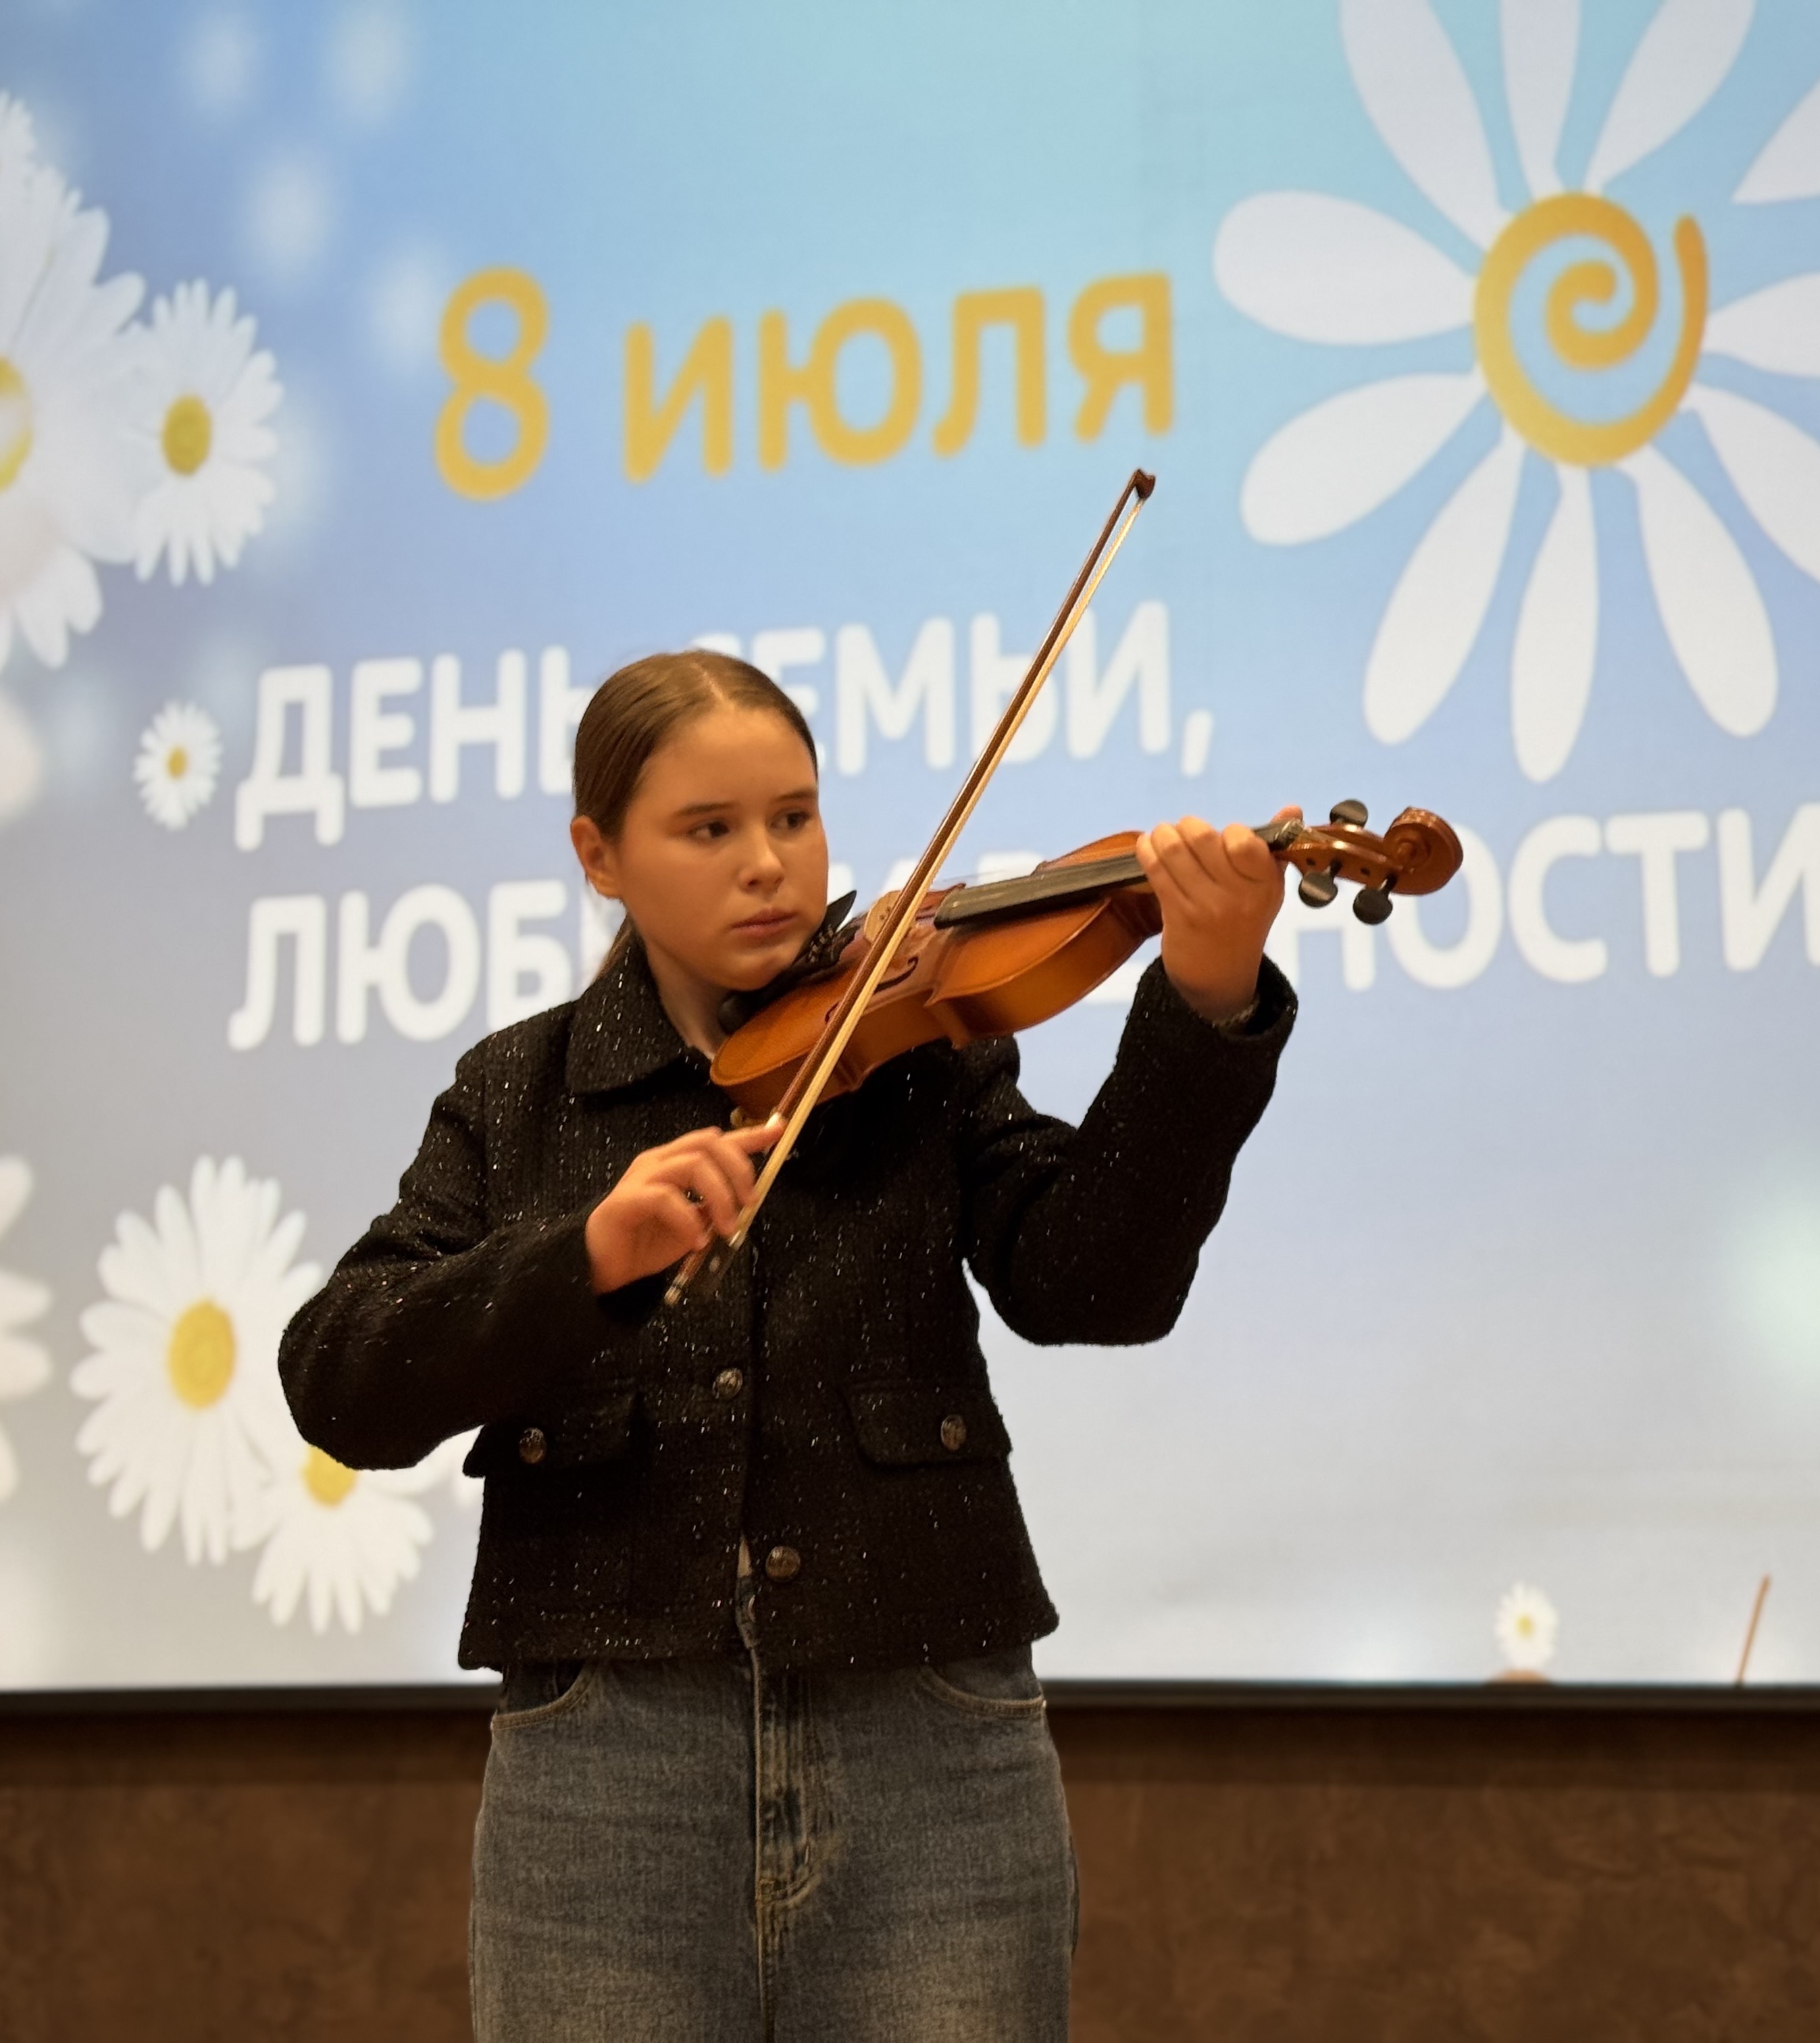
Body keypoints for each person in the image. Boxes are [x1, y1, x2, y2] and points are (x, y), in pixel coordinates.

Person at [278, 647, 1296, 2041]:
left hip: (931, 1738)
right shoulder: (520, 1091)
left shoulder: (922, 1052)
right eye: (710, 829)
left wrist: (1205, 1003)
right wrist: (584, 1260)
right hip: (604, 1767)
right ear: (600, 856)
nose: (770, 864)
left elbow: (1096, 1286)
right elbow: (341, 1377)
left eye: (795, 817)